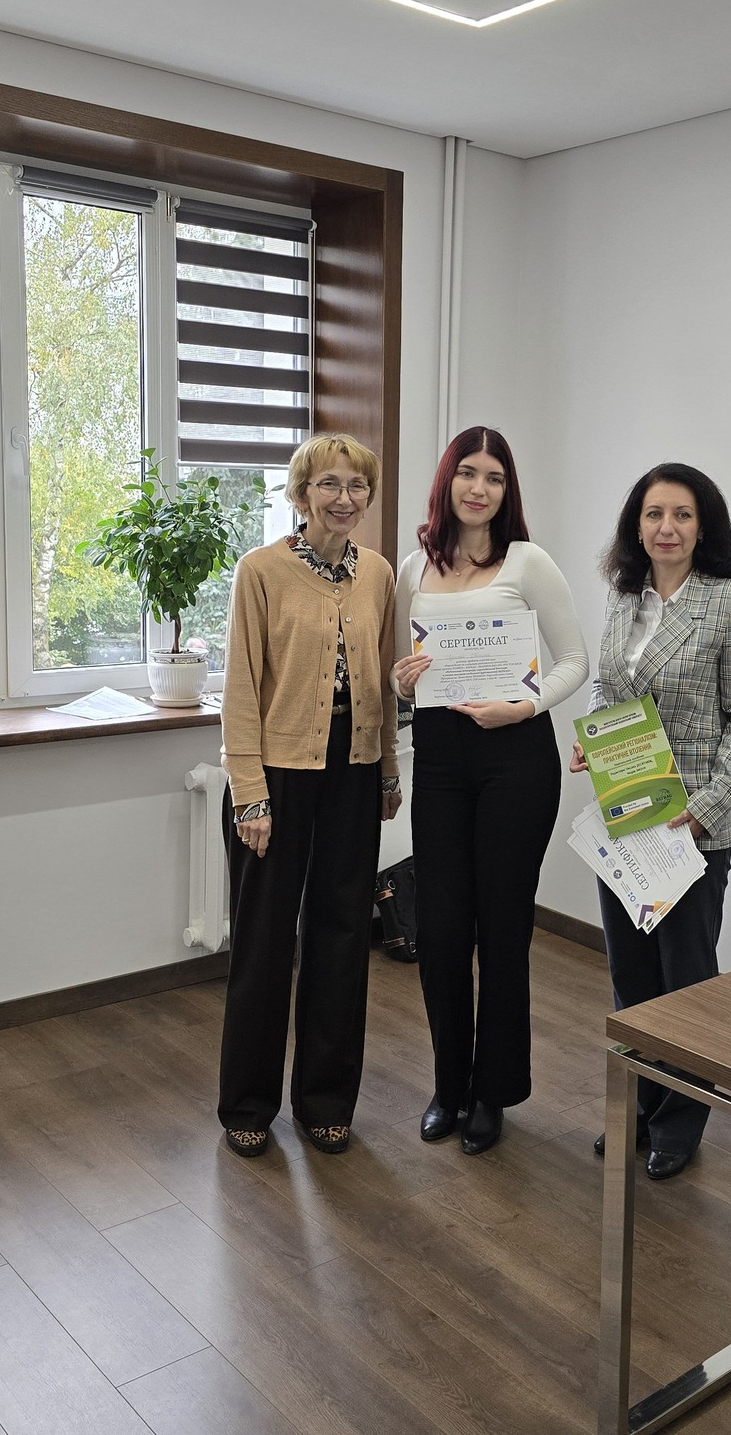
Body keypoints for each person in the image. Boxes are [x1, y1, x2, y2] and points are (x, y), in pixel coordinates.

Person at [393, 427, 588, 1156]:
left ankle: (492, 1093)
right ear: (446, 481)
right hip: (441, 759)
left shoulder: (528, 561)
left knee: (502, 932)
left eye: (495, 477)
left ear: (508, 491)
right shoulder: (414, 569)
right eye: (468, 473)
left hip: (515, 759)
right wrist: (400, 682)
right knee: (441, 931)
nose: (480, 488)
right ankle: (448, 1084)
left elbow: (574, 661)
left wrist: (525, 707)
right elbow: (402, 671)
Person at [572, 463, 731, 1181]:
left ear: (702, 525)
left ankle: (680, 1122)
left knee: (684, 983)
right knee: (630, 978)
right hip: (624, 818)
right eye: (654, 514)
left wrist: (706, 809)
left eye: (682, 515)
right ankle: (637, 1109)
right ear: (637, 524)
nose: (667, 528)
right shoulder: (623, 595)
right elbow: (608, 688)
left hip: (690, 829)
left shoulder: (728, 601)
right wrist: (591, 740)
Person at [216, 433, 402, 1159]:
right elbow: (239, 689)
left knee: (344, 937)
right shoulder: (260, 571)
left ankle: (326, 1100)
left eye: (357, 486)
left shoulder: (377, 574)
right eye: (329, 484)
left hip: (353, 771)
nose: (344, 499)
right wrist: (250, 794)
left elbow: (382, 683)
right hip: (279, 776)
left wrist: (387, 771)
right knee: (264, 944)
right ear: (301, 495)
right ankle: (247, 1105)